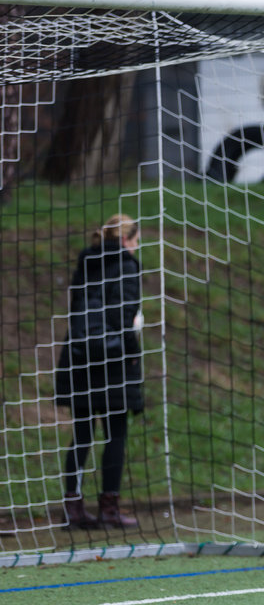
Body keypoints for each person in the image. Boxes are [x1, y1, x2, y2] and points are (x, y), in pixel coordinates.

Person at [54, 214, 145, 529]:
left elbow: (77, 306)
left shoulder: (87, 261)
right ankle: (109, 509)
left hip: (79, 355)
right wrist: (133, 352)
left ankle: (73, 509)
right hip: (112, 361)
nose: (137, 246)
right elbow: (124, 315)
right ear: (124, 240)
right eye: (135, 240)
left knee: (81, 433)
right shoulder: (127, 266)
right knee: (115, 433)